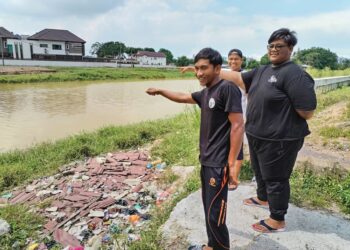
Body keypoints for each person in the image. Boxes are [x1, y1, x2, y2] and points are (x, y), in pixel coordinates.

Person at [182, 28, 317, 233]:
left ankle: (277, 219)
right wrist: (205, 70)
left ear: (290, 49)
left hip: (279, 140)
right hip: (256, 135)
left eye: (278, 46)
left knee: (276, 178)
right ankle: (263, 198)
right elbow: (237, 78)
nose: (273, 49)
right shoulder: (263, 70)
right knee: (260, 172)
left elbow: (307, 112)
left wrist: (279, 116)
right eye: (270, 45)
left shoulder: (295, 75)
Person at [147, 48, 244, 250]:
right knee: (208, 207)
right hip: (207, 161)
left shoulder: (227, 89)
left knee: (216, 213)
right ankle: (211, 245)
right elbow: (183, 96)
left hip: (219, 163)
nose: (199, 73)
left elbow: (237, 125)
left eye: (204, 68)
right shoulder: (206, 91)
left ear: (217, 68)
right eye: (197, 69)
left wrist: (233, 163)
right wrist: (161, 91)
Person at [225, 49, 247, 190]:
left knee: (237, 147)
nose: (233, 61)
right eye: (231, 58)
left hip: (240, 116)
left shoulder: (246, 76)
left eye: (236, 59)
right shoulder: (223, 73)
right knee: (224, 146)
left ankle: (234, 178)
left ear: (241, 60)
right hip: (223, 116)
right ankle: (224, 175)